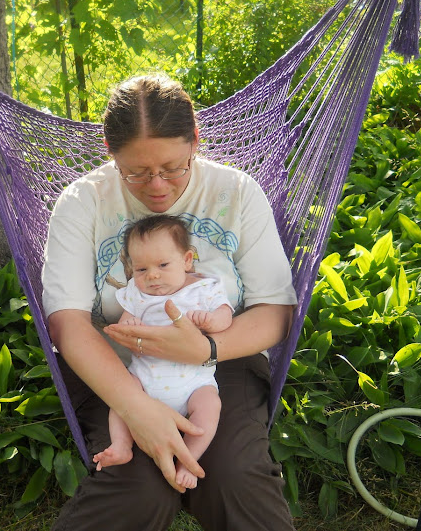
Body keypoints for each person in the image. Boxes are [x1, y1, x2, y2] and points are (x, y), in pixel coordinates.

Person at [42, 74, 298, 531]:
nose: (157, 186)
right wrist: (136, 410)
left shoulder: (235, 193)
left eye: (174, 167)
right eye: (136, 171)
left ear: (196, 140)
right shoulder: (83, 202)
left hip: (224, 364)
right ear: (109, 151)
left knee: (235, 479)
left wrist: (207, 350)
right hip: (118, 366)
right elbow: (67, 324)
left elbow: (275, 311)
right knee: (138, 490)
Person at [92, 214, 232, 490]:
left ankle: (188, 459)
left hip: (193, 382)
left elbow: (225, 315)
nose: (152, 275)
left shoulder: (205, 288)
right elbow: (124, 325)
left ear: (187, 260)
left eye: (163, 265)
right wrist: (129, 325)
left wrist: (212, 321)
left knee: (209, 405)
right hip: (145, 380)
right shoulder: (137, 293)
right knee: (122, 394)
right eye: (141, 269)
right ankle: (121, 445)